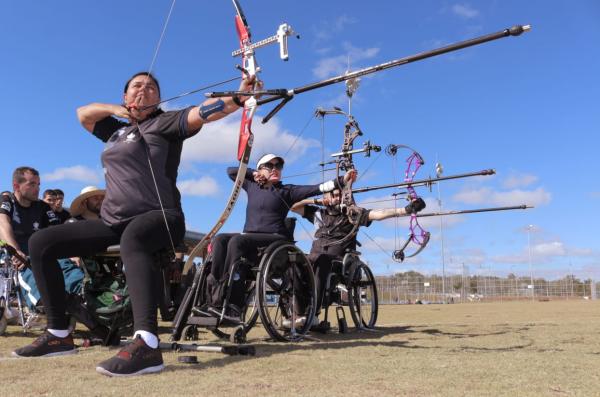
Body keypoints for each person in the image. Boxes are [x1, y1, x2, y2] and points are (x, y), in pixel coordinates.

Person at [12, 71, 254, 377]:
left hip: (161, 217)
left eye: (152, 87)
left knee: (134, 239)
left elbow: (203, 112)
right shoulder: (115, 131)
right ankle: (59, 334)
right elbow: (82, 114)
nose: (145, 89)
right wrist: (114, 110)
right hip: (113, 222)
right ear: (125, 97)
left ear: (158, 99)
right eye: (137, 86)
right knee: (40, 244)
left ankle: (147, 344)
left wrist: (237, 97)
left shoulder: (164, 124)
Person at [200, 153, 353, 321]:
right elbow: (231, 171)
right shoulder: (251, 185)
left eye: (278, 167)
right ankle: (214, 300)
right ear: (260, 170)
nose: (275, 169)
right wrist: (253, 174)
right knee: (220, 239)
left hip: (275, 240)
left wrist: (342, 180)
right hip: (250, 240)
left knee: (237, 241)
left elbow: (318, 187)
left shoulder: (287, 191)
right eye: (269, 166)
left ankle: (234, 307)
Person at [291, 185, 426, 325]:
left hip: (338, 261)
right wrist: (315, 201)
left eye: (340, 195)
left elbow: (378, 214)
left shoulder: (352, 214)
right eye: (334, 195)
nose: (337, 198)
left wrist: (405, 210)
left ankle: (313, 313)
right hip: (314, 257)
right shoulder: (318, 213)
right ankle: (297, 314)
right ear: (325, 198)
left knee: (322, 262)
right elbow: (293, 206)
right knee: (294, 261)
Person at [0, 167, 66, 310]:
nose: (37, 189)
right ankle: (46, 303)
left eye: (38, 184)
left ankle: (79, 297)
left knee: (67, 265)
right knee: (25, 265)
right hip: (13, 252)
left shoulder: (43, 207)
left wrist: (71, 253)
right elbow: (2, 224)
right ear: (16, 186)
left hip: (39, 252)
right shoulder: (7, 200)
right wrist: (15, 250)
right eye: (32, 184)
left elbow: (56, 231)